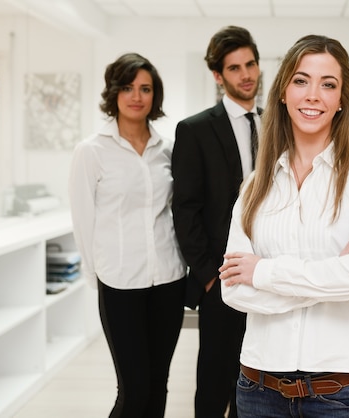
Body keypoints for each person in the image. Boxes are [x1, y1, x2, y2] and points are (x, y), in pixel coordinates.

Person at [218, 34, 349, 417]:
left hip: (343, 395)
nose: (313, 95)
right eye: (301, 80)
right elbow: (232, 290)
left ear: (341, 100)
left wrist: (264, 271)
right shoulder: (255, 186)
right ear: (283, 92)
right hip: (258, 389)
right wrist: (335, 271)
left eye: (328, 84)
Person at [68, 52, 187, 417]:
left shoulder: (167, 149)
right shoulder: (91, 151)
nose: (137, 96)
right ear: (113, 93)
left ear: (155, 95)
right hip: (119, 283)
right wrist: (95, 274)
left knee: (158, 385)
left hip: (168, 279)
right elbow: (82, 220)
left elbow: (175, 213)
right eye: (127, 87)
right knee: (133, 391)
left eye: (145, 88)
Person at [171, 25, 261, 418]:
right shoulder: (194, 130)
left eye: (251, 64)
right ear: (218, 76)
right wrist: (208, 277)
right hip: (221, 280)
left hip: (269, 275)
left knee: (258, 380)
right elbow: (185, 208)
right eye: (235, 67)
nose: (246, 74)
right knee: (214, 381)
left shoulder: (279, 124)